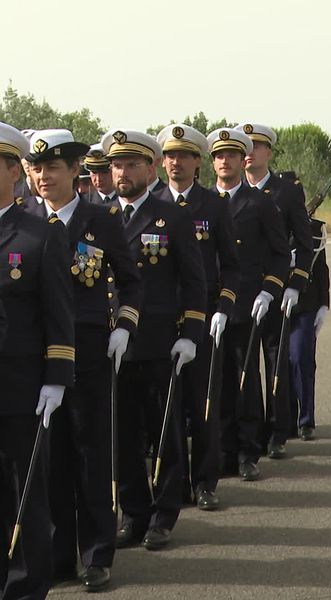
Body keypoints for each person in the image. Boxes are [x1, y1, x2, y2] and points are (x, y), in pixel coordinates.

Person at [26, 128, 142, 592]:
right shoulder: (25, 220)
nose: (42, 177)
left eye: (52, 168)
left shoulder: (102, 220)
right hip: (38, 357)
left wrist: (124, 325)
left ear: (76, 171)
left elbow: (132, 281)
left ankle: (97, 553)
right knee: (50, 459)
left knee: (91, 453)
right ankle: (58, 553)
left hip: (90, 350)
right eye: (35, 169)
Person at [101, 128, 207, 549]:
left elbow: (194, 280)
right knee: (123, 434)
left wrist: (192, 333)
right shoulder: (100, 215)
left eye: (130, 164)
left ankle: (164, 514)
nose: (122, 172)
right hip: (112, 345)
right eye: (116, 165)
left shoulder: (171, 216)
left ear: (150, 168)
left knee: (163, 429)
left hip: (160, 342)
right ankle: (134, 513)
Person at [0, 122, 75, 600]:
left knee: (25, 494)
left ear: (12, 172)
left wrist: (57, 379)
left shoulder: (39, 234)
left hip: (22, 386)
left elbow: (59, 314)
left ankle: (27, 587)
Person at [155, 123, 240, 510]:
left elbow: (233, 267)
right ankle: (172, 485)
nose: (175, 163)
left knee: (203, 404)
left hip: (202, 317)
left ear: (196, 161)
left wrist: (223, 307)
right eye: (169, 155)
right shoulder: (152, 202)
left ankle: (206, 482)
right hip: (158, 320)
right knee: (165, 411)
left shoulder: (213, 205)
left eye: (183, 156)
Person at [207, 127, 290, 481]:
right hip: (207, 308)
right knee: (215, 383)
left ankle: (246, 450)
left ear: (243, 161)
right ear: (212, 162)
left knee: (244, 381)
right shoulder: (203, 203)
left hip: (243, 306)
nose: (225, 161)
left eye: (231, 155)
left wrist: (268, 291)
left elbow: (279, 254)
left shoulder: (259, 203)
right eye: (218, 155)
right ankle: (222, 450)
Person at [235, 123, 313, 457]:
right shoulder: (227, 191)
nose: (250, 153)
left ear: (269, 153)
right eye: (245, 147)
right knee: (245, 367)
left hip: (277, 289)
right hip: (242, 293)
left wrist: (296, 284)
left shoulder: (286, 191)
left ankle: (278, 430)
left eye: (257, 146)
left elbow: (305, 244)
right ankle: (251, 431)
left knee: (275, 362)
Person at [289, 217, 330, 440]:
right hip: (275, 301)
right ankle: (284, 420)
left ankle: (306, 420)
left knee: (301, 357)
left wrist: (324, 303)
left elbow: (321, 268)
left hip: (306, 303)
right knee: (281, 363)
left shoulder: (313, 229)